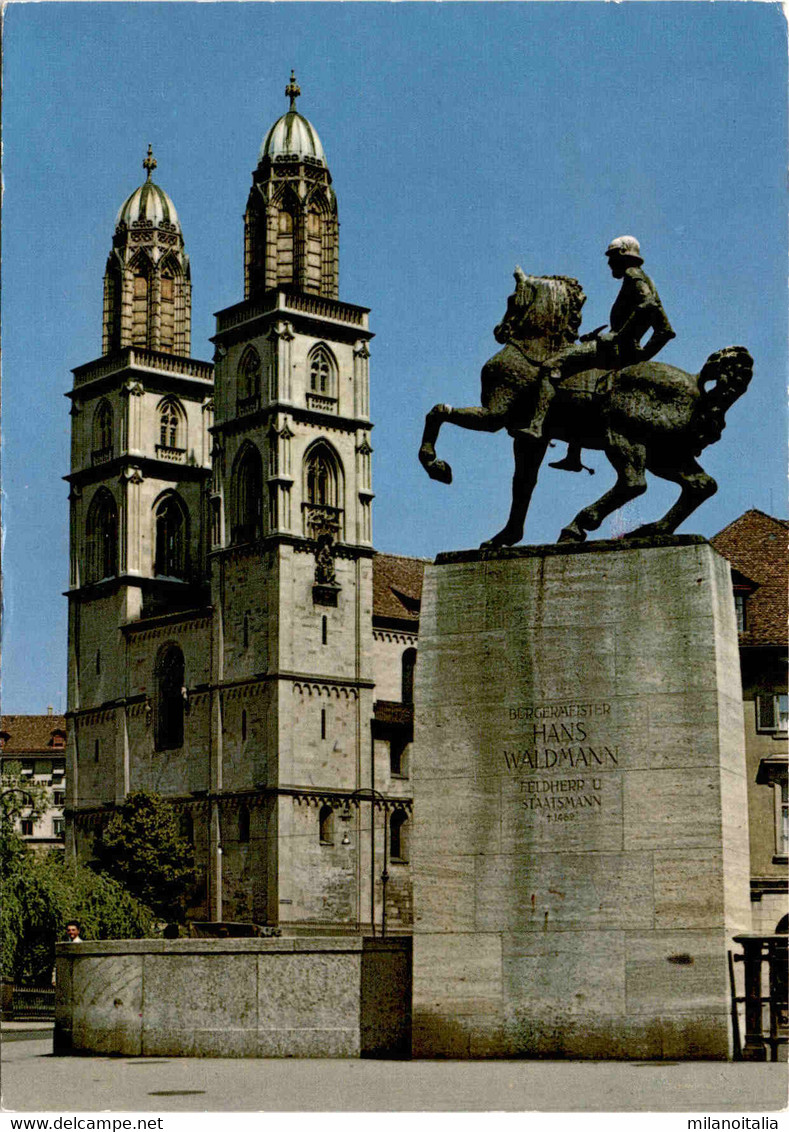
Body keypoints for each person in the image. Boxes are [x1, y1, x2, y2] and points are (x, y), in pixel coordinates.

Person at [519, 236, 676, 470]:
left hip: (613, 349)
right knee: (580, 381)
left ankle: (536, 426)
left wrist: (618, 337)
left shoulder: (634, 275)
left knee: (552, 365)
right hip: (622, 351)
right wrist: (640, 356)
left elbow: (648, 306)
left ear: (623, 255)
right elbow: (665, 331)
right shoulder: (646, 280)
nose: (609, 264)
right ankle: (573, 456)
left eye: (612, 258)